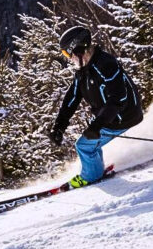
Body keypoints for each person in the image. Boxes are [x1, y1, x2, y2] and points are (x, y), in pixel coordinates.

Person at [49, 25, 143, 188]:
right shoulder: (84, 69)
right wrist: (59, 127)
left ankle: (91, 176)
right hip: (109, 116)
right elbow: (71, 99)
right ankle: (96, 169)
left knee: (83, 145)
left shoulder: (106, 65)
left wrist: (97, 125)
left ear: (78, 49)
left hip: (123, 116)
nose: (68, 59)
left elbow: (118, 98)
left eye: (67, 53)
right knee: (90, 138)